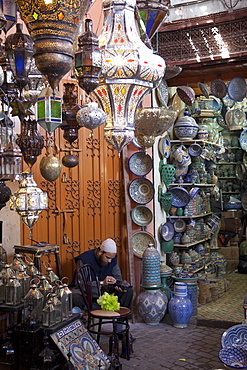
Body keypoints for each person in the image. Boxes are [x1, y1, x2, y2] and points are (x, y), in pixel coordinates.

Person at [70, 238, 133, 311]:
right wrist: (102, 283)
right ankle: (87, 318)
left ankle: (120, 320)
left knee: (128, 291)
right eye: (107, 258)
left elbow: (118, 277)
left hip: (106, 291)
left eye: (111, 259)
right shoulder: (84, 259)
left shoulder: (112, 259)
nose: (109, 261)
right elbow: (81, 284)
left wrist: (117, 284)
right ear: (100, 252)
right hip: (88, 293)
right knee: (75, 297)